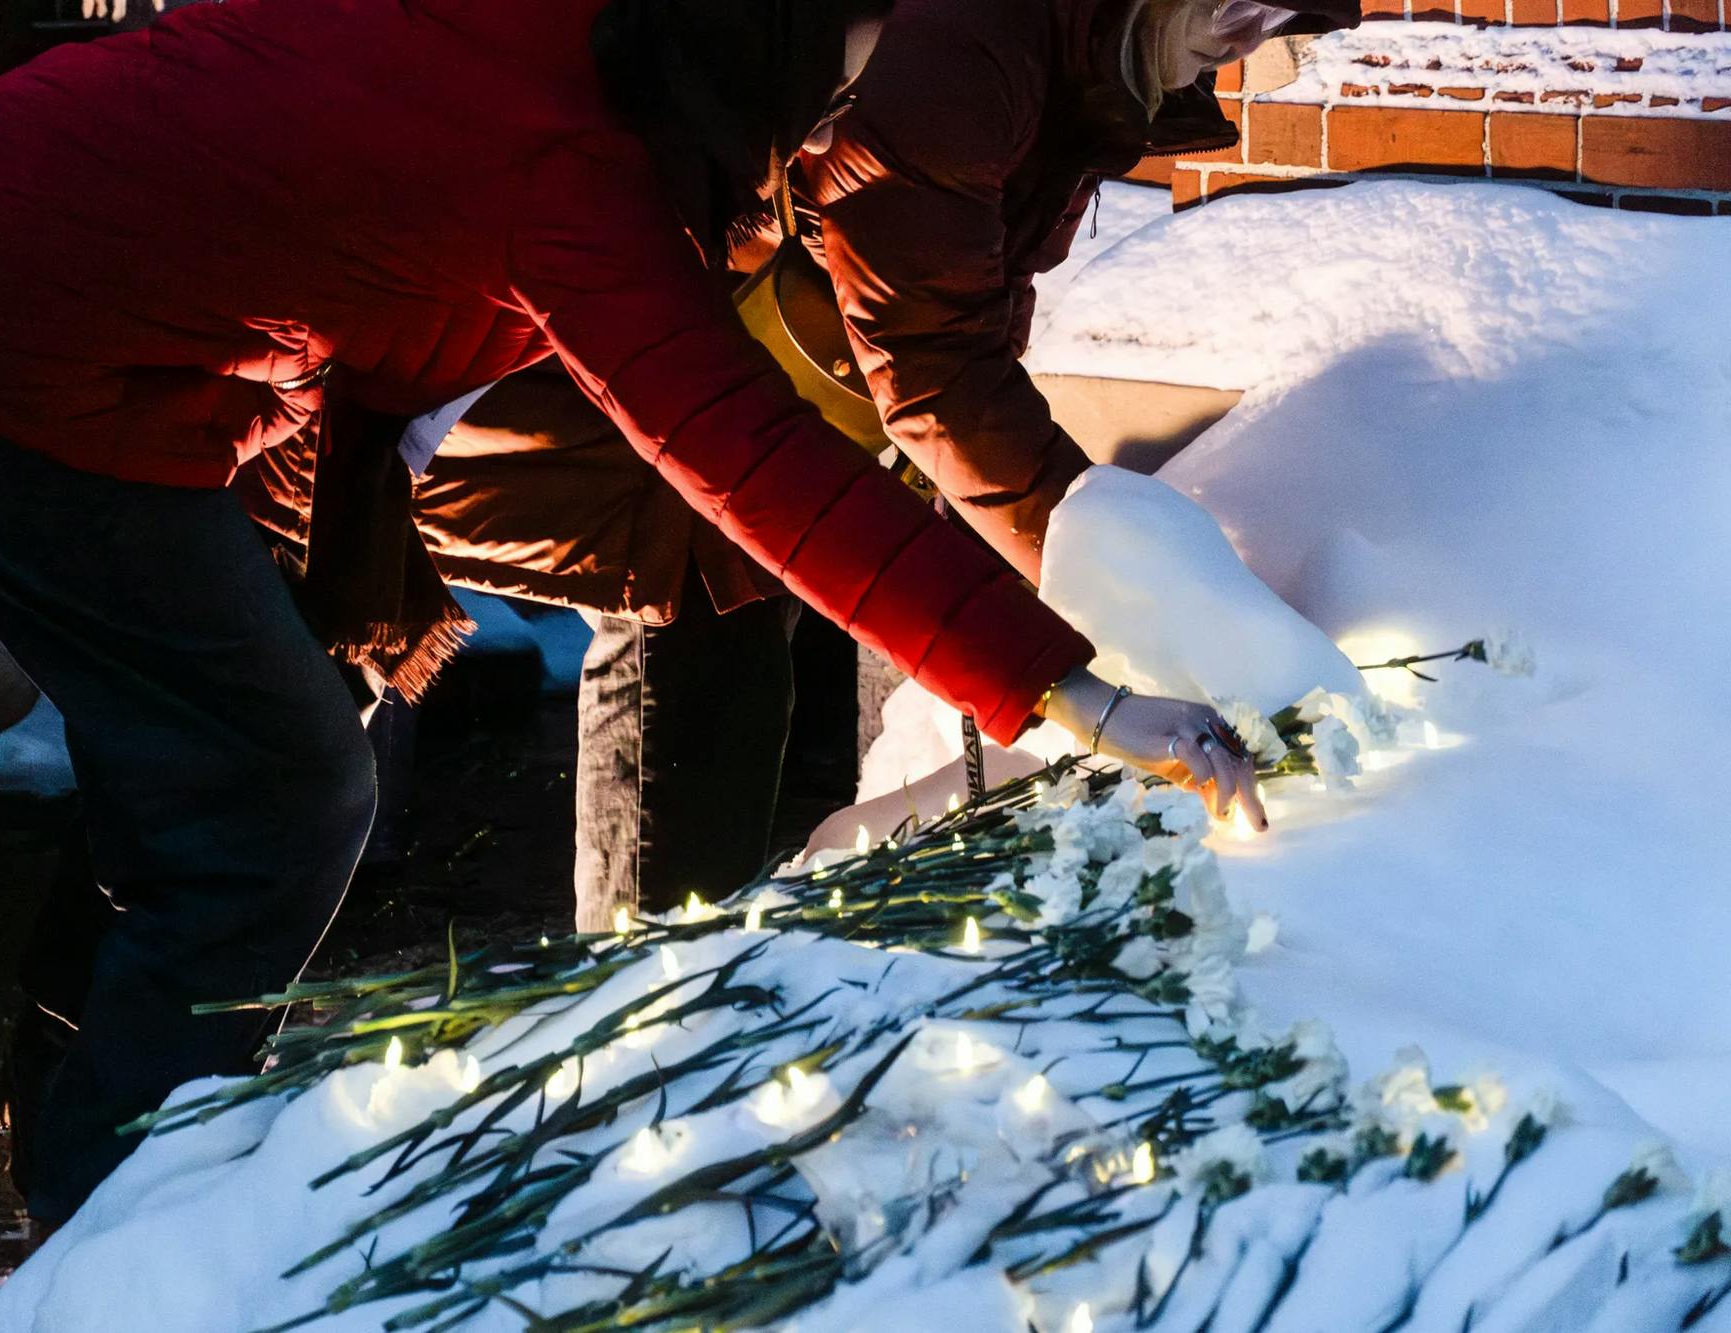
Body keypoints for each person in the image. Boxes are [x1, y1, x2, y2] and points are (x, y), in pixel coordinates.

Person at [0, 0, 1260, 1226]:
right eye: (829, 85)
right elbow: (762, 470)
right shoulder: (578, 178)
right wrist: (1082, 696)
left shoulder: (556, 50)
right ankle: (114, 1232)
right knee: (272, 790)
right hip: (11, 349)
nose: (827, 136)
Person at [411, 0, 1353, 931]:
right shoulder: (957, 51)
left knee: (730, 661)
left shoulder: (1077, 55)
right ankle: (641, 1016)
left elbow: (963, 314)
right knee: (681, 689)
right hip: (679, 439)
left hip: (780, 428)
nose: (1251, 31)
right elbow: (932, 367)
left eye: (1282, 11)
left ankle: (682, 989)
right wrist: (1117, 604)